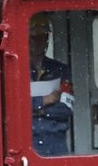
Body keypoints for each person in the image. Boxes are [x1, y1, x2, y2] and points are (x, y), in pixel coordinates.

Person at [28, 14, 74, 156]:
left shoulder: (61, 70)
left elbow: (66, 108)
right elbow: (14, 109)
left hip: (56, 144)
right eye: (34, 37)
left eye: (42, 37)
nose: (38, 42)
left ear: (47, 39)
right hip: (28, 143)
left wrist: (36, 110)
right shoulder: (16, 71)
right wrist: (44, 100)